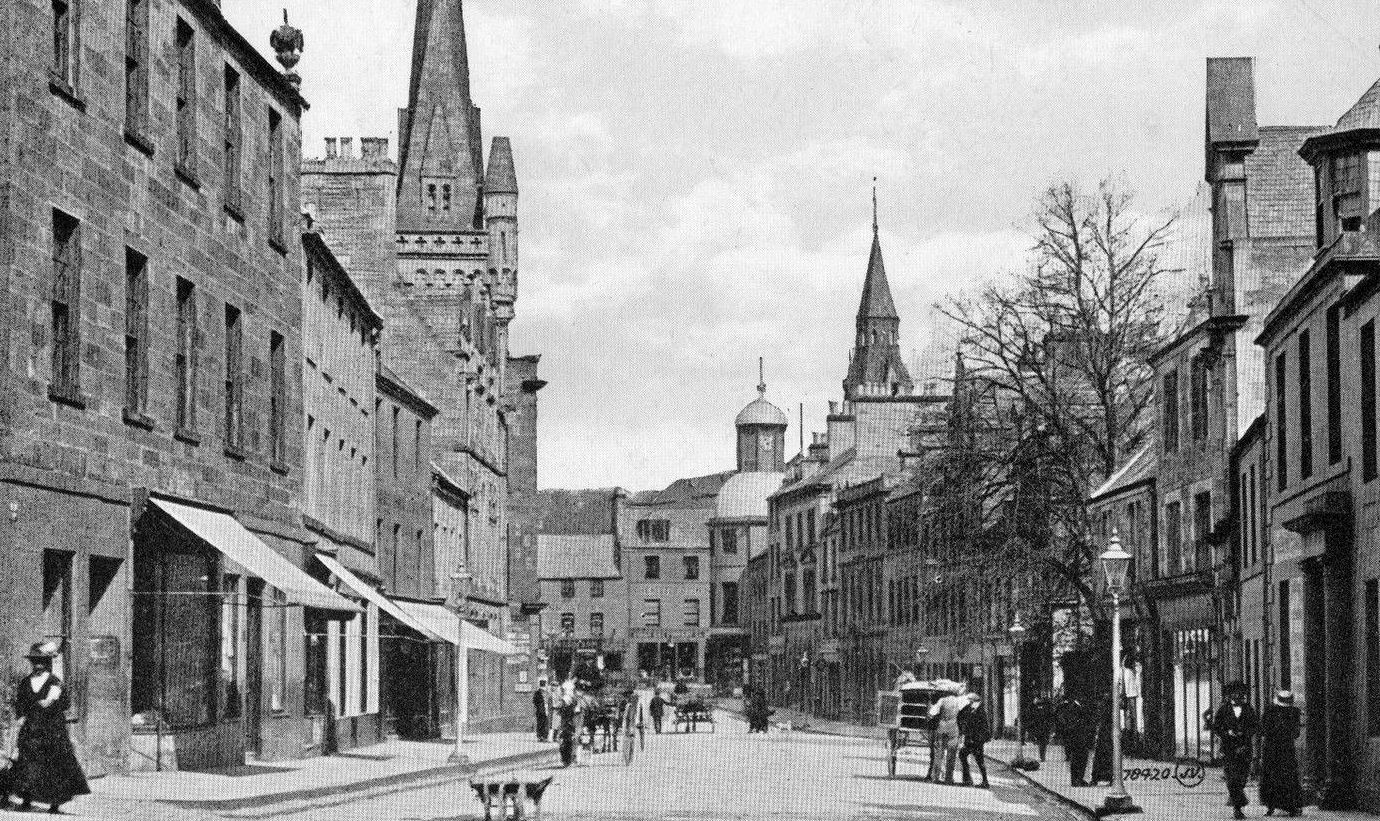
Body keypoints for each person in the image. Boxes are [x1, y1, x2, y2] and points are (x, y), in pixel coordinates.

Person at [7, 642, 89, 815]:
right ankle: (26, 799)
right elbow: (20, 704)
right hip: (32, 729)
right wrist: (21, 718)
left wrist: (52, 701)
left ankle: (55, 804)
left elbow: (65, 704)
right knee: (28, 762)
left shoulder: (55, 682)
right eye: (35, 661)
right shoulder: (25, 682)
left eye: (41, 661)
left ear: (46, 663)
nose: (38, 665)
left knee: (54, 765)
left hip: (52, 729)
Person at [1211, 681, 1260, 820]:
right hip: (1229, 748)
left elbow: (1255, 726)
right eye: (1235, 693)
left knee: (1242, 776)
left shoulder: (1248, 709)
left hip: (1244, 747)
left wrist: (1245, 733)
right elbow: (1216, 727)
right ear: (1230, 695)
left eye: (1241, 694)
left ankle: (1236, 798)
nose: (1238, 696)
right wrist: (1227, 733)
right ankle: (1237, 808)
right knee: (1232, 778)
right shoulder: (1223, 709)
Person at [1259, 690, 1302, 817]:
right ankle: (1274, 805)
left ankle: (1286, 806)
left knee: (1283, 777)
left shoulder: (1292, 712)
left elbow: (1296, 732)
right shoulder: (1272, 711)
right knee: (1279, 777)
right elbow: (1263, 728)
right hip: (1275, 749)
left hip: (1281, 749)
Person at [928, 684, 969, 784]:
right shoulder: (959, 701)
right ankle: (948, 779)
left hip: (941, 726)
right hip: (953, 728)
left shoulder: (941, 701)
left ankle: (935, 777)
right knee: (951, 753)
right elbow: (968, 701)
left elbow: (932, 712)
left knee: (938, 753)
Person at [1055, 693, 1092, 787]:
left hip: (1079, 736)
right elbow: (1069, 722)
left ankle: (1078, 779)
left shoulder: (1076, 706)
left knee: (1080, 758)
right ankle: (1076, 780)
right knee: (1078, 759)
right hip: (1077, 737)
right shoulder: (1073, 707)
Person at [958, 687, 991, 788]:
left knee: (979, 760)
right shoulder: (969, 709)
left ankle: (985, 781)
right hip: (970, 740)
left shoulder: (981, 712)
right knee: (962, 755)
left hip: (977, 741)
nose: (969, 703)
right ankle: (968, 779)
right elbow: (962, 718)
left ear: (975, 701)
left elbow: (985, 728)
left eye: (971, 701)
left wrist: (980, 739)